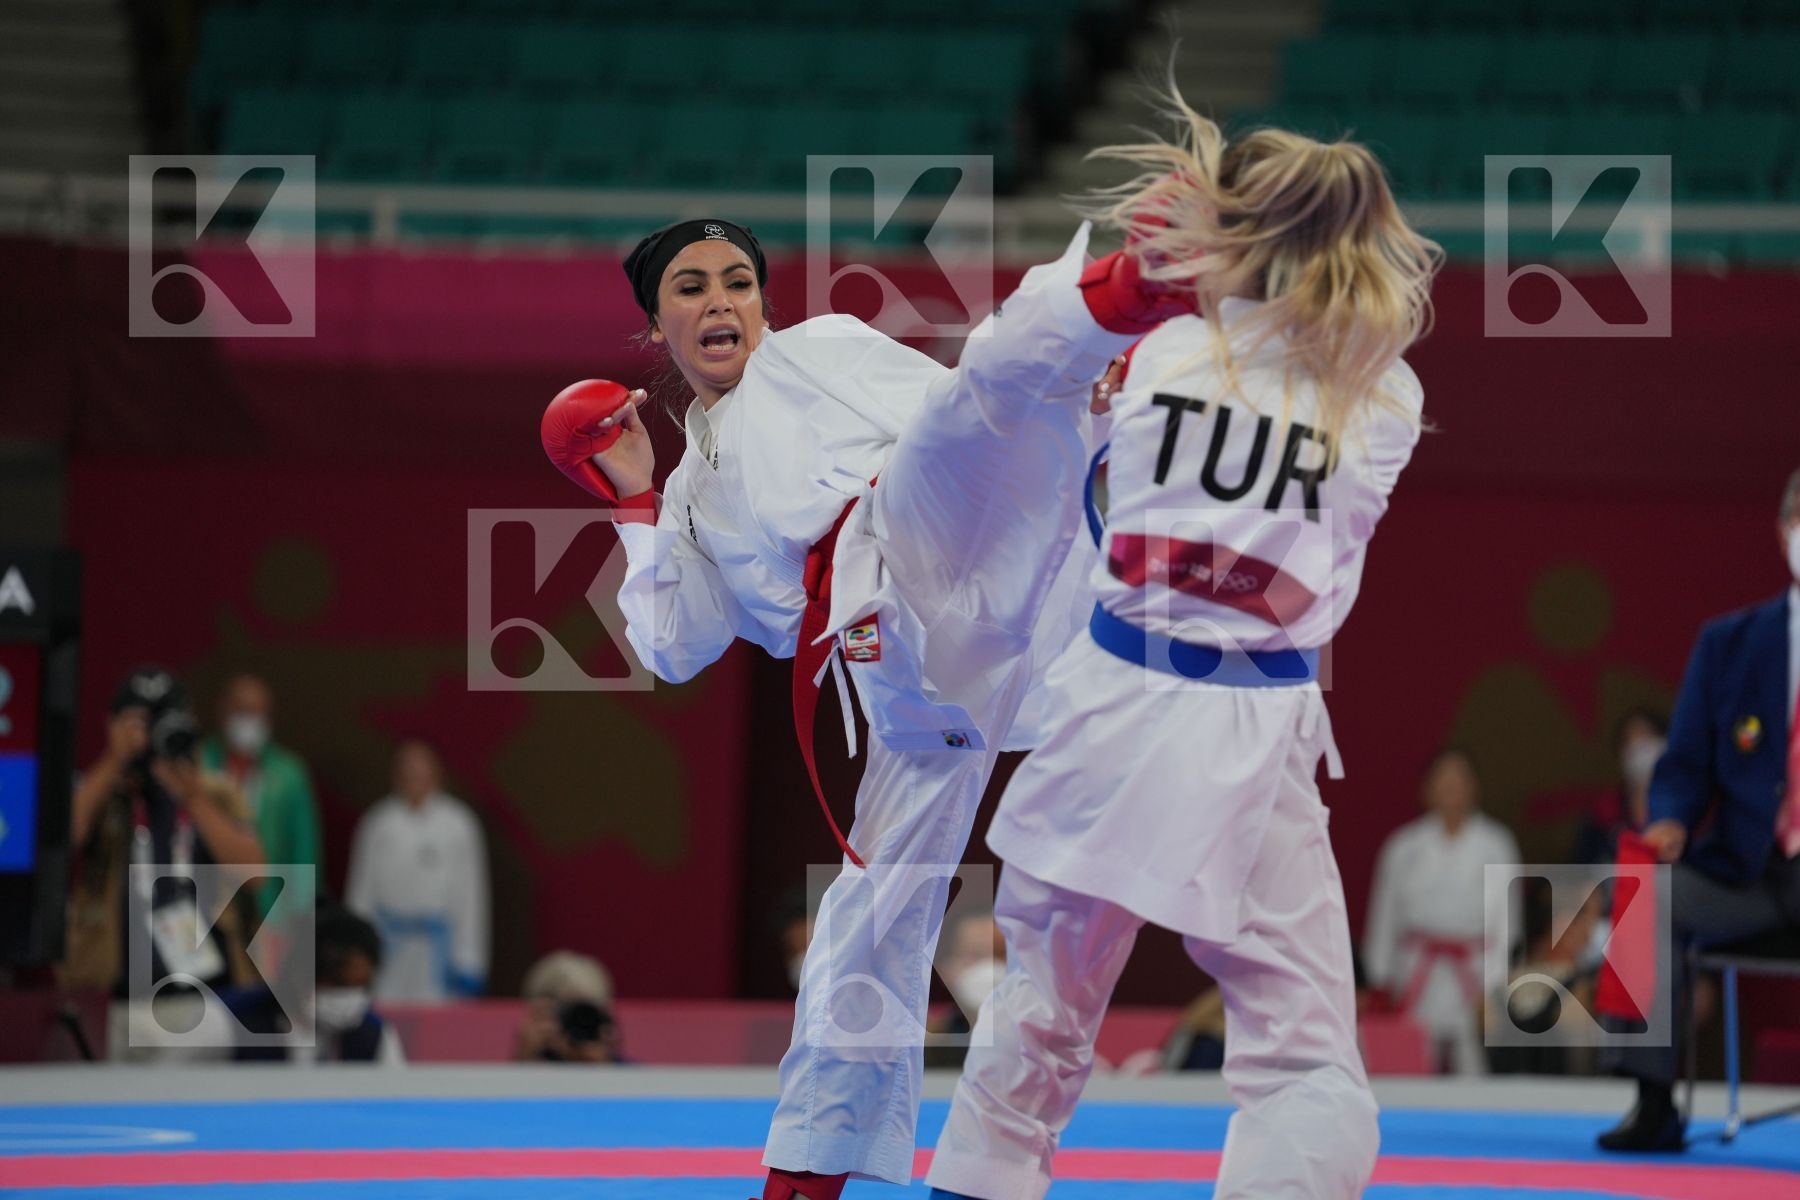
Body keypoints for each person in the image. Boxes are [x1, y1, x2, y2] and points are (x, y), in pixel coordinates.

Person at [540, 193, 1177, 1196]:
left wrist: (1074, 410)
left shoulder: (823, 350)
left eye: (739, 282)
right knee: (866, 922)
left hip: (949, 548)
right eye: (692, 289)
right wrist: (630, 498)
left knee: (976, 406)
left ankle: (1132, 291)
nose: (721, 302)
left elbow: (961, 420)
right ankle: (812, 1171)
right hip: (908, 682)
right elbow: (673, 647)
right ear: (654, 325)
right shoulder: (690, 495)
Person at [922, 97, 1440, 1200]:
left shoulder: (1157, 354)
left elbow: (1012, 368)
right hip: (1257, 722)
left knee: (1044, 1014)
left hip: (1110, 702)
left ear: (1232, 235)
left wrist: (1144, 263)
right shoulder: (1384, 396)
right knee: (1299, 1048)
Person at [1596, 467, 1800, 1152]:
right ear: (1783, 532)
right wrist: (1673, 816)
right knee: (1647, 893)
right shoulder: (1731, 644)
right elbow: (1683, 765)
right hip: (1751, 873)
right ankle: (1653, 1102)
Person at [62, 666, 265, 1016]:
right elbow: (63, 840)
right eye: (140, 723)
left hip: (210, 988)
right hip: (113, 984)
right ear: (112, 726)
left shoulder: (214, 792)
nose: (152, 734)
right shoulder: (99, 790)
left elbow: (255, 874)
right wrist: (114, 761)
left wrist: (193, 797)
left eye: (164, 721)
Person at [1363, 748, 1520, 1075]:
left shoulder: (1496, 843)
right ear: (1426, 788)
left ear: (1474, 787)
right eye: (1442, 779)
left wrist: (1495, 981)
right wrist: (1381, 977)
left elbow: (1507, 921)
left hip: (1475, 971)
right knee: (1409, 1067)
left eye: (1458, 778)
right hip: (1417, 971)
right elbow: (1384, 916)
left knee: (1474, 1067)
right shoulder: (1403, 846)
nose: (1450, 787)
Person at [344, 740, 490, 1003]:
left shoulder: (459, 823)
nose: (415, 780)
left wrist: (469, 958)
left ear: (437, 774)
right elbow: (361, 892)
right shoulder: (377, 823)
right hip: (388, 949)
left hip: (439, 951)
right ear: (396, 776)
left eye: (422, 772)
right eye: (408, 772)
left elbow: (472, 897)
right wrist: (357, 951)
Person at [199, 674, 324, 919]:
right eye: (243, 712)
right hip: (205, 905)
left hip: (270, 911)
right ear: (223, 710)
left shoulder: (289, 774)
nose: (251, 722)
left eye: (260, 714)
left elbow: (303, 852)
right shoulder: (196, 764)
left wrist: (300, 916)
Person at [226, 902, 405, 1064]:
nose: (351, 997)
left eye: (362, 985)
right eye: (340, 984)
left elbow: (396, 1095)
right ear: (300, 975)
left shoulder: (374, 1035)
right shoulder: (231, 1019)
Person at [1570, 709, 1668, 866]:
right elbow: (1582, 867)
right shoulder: (1605, 813)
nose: (1641, 747)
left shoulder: (1686, 809)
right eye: (1631, 740)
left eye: (1648, 736)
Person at [513, 950, 622, 1064]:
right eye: (564, 1014)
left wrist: (606, 1067)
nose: (578, 1024)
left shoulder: (635, 1075)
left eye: (586, 1015)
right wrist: (523, 1061)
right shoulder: (529, 1062)